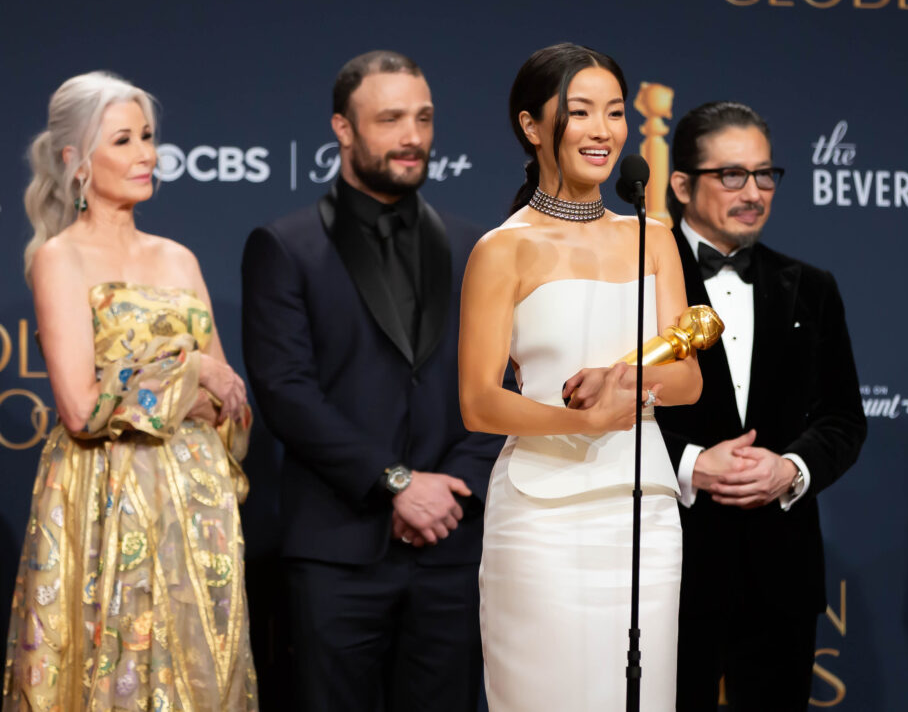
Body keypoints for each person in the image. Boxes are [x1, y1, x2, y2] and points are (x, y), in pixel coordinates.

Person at [241, 51, 506, 711]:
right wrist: (397, 485)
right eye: (389, 119)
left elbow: (501, 384)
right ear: (343, 127)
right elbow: (285, 391)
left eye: (422, 118)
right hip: (337, 549)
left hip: (451, 544)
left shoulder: (478, 248)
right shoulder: (285, 246)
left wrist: (450, 492)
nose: (412, 136)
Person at [458, 42, 703, 711]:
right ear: (532, 126)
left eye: (616, 113)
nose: (603, 130)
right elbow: (479, 404)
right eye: (580, 112)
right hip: (542, 517)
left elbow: (688, 381)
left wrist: (627, 378)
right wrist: (580, 420)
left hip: (643, 513)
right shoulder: (503, 249)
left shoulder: (653, 235)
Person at [2, 72, 256, 710]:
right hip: (106, 498)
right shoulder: (61, 259)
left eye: (148, 136)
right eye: (123, 139)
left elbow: (232, 400)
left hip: (199, 510)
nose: (146, 153)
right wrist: (187, 372)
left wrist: (197, 383)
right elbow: (81, 410)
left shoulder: (179, 259)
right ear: (76, 161)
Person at [653, 101, 867, 710]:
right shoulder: (640, 278)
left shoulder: (812, 286)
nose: (753, 192)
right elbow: (605, 417)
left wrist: (789, 469)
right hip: (669, 567)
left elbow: (844, 419)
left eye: (765, 174)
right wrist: (693, 463)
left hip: (782, 572)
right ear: (682, 184)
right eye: (732, 175)